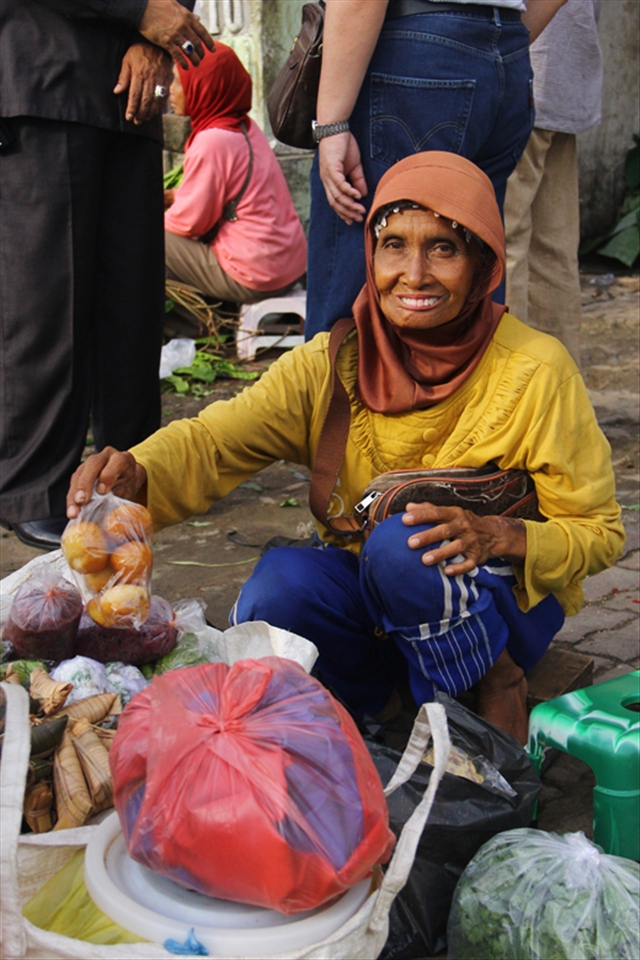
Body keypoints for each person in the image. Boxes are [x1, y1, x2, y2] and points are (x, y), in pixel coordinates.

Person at [67, 152, 624, 744]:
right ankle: (374, 704)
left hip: (493, 608)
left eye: (444, 248)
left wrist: (500, 534)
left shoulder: (536, 370)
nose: (414, 274)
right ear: (370, 254)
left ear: (483, 263)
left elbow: (600, 531)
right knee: (278, 588)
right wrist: (138, 471)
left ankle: (493, 682)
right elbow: (214, 441)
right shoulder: (331, 364)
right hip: (374, 603)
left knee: (403, 547)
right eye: (394, 245)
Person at [0, 0, 214, 551]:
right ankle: (37, 488)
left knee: (133, 304)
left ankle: (131, 474)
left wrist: (157, 38)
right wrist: (137, 9)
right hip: (46, 73)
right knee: (49, 301)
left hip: (130, 91)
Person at [305, 0, 569, 340]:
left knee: (353, 282)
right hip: (507, 56)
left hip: (415, 56)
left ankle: (343, 377)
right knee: (470, 272)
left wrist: (331, 124)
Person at [164, 44, 307, 307]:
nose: (170, 90)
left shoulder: (212, 141)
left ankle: (193, 325)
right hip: (288, 264)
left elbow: (190, 223)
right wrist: (175, 196)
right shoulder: (244, 126)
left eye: (177, 81)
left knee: (147, 237)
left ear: (203, 86)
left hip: (256, 274)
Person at [504, 0, 603, 367]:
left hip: (523, 68)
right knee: (553, 251)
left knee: (503, 242)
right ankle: (561, 390)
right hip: (565, 68)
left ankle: (513, 388)